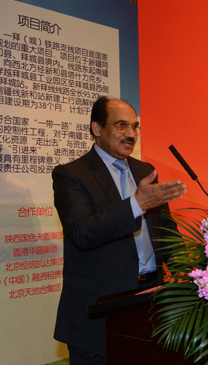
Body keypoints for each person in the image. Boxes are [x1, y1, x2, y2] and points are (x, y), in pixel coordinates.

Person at [52, 96, 186, 364]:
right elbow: (82, 232)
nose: (131, 134)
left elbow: (164, 229)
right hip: (99, 309)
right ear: (97, 128)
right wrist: (136, 205)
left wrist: (184, 268)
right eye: (121, 125)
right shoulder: (72, 175)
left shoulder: (145, 171)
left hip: (150, 300)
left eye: (135, 126)